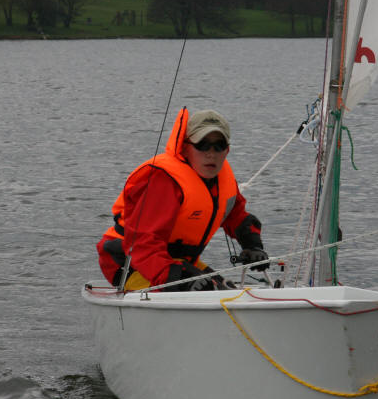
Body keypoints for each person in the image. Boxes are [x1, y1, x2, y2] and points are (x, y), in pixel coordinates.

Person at [96, 107, 269, 291]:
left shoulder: (223, 180)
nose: (211, 153)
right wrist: (178, 277)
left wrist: (253, 246)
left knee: (225, 289)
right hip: (130, 264)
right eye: (202, 144)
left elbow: (237, 217)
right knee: (205, 290)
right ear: (186, 147)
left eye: (219, 145)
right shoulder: (164, 181)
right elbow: (143, 244)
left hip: (177, 261)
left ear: (227, 150)